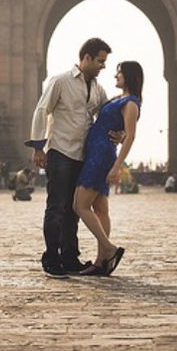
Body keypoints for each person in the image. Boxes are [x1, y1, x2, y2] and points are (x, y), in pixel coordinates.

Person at [26, 37, 120, 279]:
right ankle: (52, 258)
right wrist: (38, 147)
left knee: (73, 210)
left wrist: (120, 132)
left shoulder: (97, 89)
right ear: (86, 58)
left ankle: (69, 257)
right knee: (56, 207)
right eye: (100, 61)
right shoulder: (61, 81)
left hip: (82, 155)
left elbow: (106, 114)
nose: (103, 66)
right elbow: (41, 109)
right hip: (60, 152)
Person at [73, 61, 143, 276]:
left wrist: (116, 167)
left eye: (119, 74)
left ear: (129, 76)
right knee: (101, 209)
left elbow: (130, 136)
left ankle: (109, 248)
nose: (115, 77)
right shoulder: (119, 99)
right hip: (96, 152)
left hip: (101, 157)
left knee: (79, 206)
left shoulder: (131, 103)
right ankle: (101, 261)